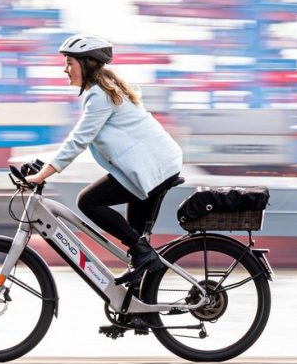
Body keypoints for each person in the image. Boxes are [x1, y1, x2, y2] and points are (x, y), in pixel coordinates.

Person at [24, 34, 184, 282]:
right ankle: (138, 314)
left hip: (153, 170)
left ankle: (143, 256)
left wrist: (44, 173)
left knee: (88, 201)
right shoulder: (105, 89)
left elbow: (79, 139)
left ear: (86, 64)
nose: (65, 69)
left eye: (70, 63)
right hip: (154, 167)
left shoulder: (99, 95)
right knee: (137, 251)